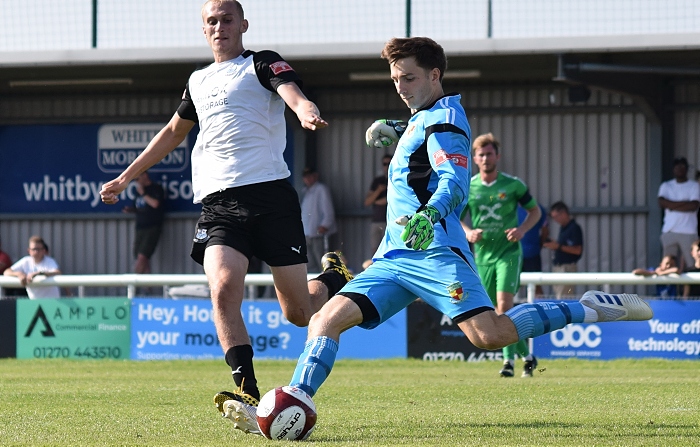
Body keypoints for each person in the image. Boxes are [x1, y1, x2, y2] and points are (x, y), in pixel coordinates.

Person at [221, 36, 653, 436]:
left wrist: (430, 215)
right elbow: (422, 145)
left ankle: (588, 307)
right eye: (394, 79)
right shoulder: (425, 117)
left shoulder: (446, 120)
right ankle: (295, 400)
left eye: (409, 77)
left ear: (434, 75)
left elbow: (454, 183)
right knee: (324, 320)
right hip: (393, 258)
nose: (401, 86)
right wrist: (397, 126)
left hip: (436, 252)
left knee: (490, 335)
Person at [99, 0, 353, 425]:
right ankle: (246, 389)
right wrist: (126, 178)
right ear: (204, 31)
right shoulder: (197, 81)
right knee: (222, 287)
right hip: (218, 204)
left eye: (227, 19)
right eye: (211, 21)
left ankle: (332, 279)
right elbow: (171, 133)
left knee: (298, 315)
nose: (219, 27)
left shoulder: (261, 63)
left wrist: (304, 109)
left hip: (271, 198)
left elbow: (290, 90)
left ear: (243, 24)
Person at [461, 132, 543, 378]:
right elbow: (455, 219)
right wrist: (468, 232)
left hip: (508, 254)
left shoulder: (513, 184)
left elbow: (535, 212)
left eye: (489, 154)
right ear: (475, 158)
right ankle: (527, 356)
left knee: (504, 308)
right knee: (490, 313)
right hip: (483, 257)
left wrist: (522, 230)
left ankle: (508, 362)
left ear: (497, 156)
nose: (485, 158)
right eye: (481, 155)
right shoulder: (469, 186)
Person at [658, 157, 700, 272]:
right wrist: (684, 203)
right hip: (669, 230)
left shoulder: (693, 186)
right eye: (677, 167)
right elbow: (661, 203)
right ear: (673, 169)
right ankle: (670, 290)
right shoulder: (666, 186)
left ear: (686, 169)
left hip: (688, 231)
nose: (680, 169)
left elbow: (693, 206)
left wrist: (671, 205)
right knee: (668, 266)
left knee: (693, 265)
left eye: (682, 167)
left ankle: (690, 290)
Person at [122, 171, 165, 274]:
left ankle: (133, 285)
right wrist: (131, 209)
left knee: (142, 257)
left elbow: (155, 204)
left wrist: (143, 193)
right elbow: (140, 207)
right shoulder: (138, 192)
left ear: (145, 176)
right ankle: (147, 288)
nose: (136, 182)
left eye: (137, 179)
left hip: (152, 227)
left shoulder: (156, 189)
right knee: (141, 258)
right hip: (140, 227)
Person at [543, 201, 584, 298]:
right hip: (558, 267)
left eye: (556, 217)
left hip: (567, 268)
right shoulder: (563, 228)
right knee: (559, 296)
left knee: (563, 298)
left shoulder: (574, 228)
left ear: (564, 213)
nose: (555, 220)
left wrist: (558, 247)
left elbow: (577, 250)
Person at [300, 167, 337, 273]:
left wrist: (325, 225)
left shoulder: (321, 189)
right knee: (310, 263)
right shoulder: (305, 191)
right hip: (307, 233)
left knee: (322, 261)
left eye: (310, 176)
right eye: (305, 177)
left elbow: (328, 209)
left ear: (315, 176)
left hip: (318, 233)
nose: (307, 179)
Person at [517, 203, 549, 297]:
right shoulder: (539, 208)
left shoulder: (538, 209)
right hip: (526, 253)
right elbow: (545, 230)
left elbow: (545, 229)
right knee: (535, 285)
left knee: (535, 285)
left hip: (528, 254)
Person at [364, 154, 392, 253]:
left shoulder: (396, 179)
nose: (387, 166)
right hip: (376, 220)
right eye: (385, 164)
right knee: (374, 251)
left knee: (389, 250)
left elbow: (390, 199)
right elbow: (367, 202)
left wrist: (379, 200)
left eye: (389, 163)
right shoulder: (378, 181)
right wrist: (378, 191)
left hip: (390, 221)